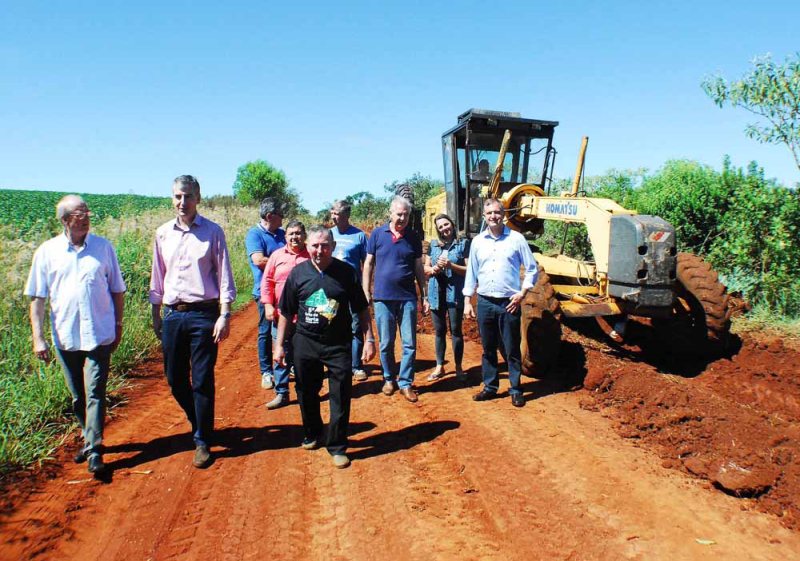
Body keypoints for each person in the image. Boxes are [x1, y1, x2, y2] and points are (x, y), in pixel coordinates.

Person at [25, 195, 126, 475]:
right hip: (66, 336)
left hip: (99, 334)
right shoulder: (47, 252)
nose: (86, 217)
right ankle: (88, 435)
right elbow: (37, 298)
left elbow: (117, 289)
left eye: (87, 212)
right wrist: (38, 337)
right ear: (65, 220)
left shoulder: (104, 248)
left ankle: (94, 448)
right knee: (77, 397)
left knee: (95, 391)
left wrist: (118, 325)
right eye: (80, 213)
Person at [150, 175, 236, 468]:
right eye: (177, 196)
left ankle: (202, 439)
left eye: (187, 196)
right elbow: (157, 276)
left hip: (204, 314)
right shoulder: (162, 233)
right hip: (173, 315)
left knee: (202, 380)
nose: (182, 202)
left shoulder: (213, 232)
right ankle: (197, 418)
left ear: (198, 197)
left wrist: (224, 315)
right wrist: (155, 314)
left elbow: (224, 275)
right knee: (175, 379)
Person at [275, 225, 376, 469]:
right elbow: (286, 313)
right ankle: (312, 432)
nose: (320, 250)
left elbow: (361, 308)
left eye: (325, 245)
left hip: (338, 342)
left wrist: (369, 338)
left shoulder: (346, 272)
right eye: (315, 245)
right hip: (305, 341)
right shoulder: (298, 274)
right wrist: (279, 345)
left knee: (340, 394)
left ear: (332, 246)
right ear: (307, 246)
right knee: (306, 391)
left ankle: (338, 445)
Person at [463, 198, 538, 408]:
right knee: (488, 349)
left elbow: (532, 268)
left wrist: (522, 293)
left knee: (511, 348)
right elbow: (472, 272)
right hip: (485, 302)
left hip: (509, 303)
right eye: (489, 213)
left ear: (503, 214)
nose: (493, 216)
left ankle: (515, 389)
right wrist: (468, 300)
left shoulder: (517, 239)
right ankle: (490, 387)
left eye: (497, 212)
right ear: (484, 216)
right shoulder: (478, 242)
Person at [363, 196, 430, 403]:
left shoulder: (413, 237)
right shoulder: (377, 234)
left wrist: (425, 295)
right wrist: (366, 290)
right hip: (383, 297)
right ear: (390, 213)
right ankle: (389, 379)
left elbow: (419, 267)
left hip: (408, 297)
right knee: (386, 343)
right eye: (399, 214)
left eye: (406, 215)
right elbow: (368, 264)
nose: (402, 218)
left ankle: (406, 383)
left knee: (409, 343)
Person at [260, 220, 309, 410]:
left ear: (304, 235)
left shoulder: (311, 255)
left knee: (304, 356)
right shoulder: (276, 256)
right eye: (291, 234)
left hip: (306, 317)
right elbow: (267, 282)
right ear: (285, 236)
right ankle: (282, 393)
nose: (294, 237)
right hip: (281, 316)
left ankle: (305, 391)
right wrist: (267, 305)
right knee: (280, 353)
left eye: (298, 233)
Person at [245, 198, 285, 390]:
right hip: (265, 292)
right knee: (265, 332)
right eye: (280, 215)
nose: (283, 218)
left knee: (287, 328)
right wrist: (284, 261)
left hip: (285, 291)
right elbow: (259, 260)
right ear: (270, 216)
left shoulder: (282, 234)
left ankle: (286, 364)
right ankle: (267, 372)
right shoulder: (254, 234)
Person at [423, 213, 469, 382]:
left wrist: (451, 265)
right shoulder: (433, 245)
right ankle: (439, 366)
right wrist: (434, 268)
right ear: (438, 230)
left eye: (446, 224)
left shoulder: (462, 244)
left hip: (455, 293)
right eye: (441, 226)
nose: (444, 228)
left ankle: (458, 368)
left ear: (452, 224)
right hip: (436, 293)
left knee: (456, 331)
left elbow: (468, 270)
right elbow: (425, 268)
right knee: (440, 332)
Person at [329, 200, 369, 382]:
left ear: (345, 215)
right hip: (331, 291)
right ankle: (335, 364)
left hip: (352, 290)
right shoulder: (328, 234)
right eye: (332, 211)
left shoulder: (359, 236)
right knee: (331, 325)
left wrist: (366, 288)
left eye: (335, 212)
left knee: (355, 327)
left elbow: (367, 263)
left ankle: (356, 366)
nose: (332, 215)